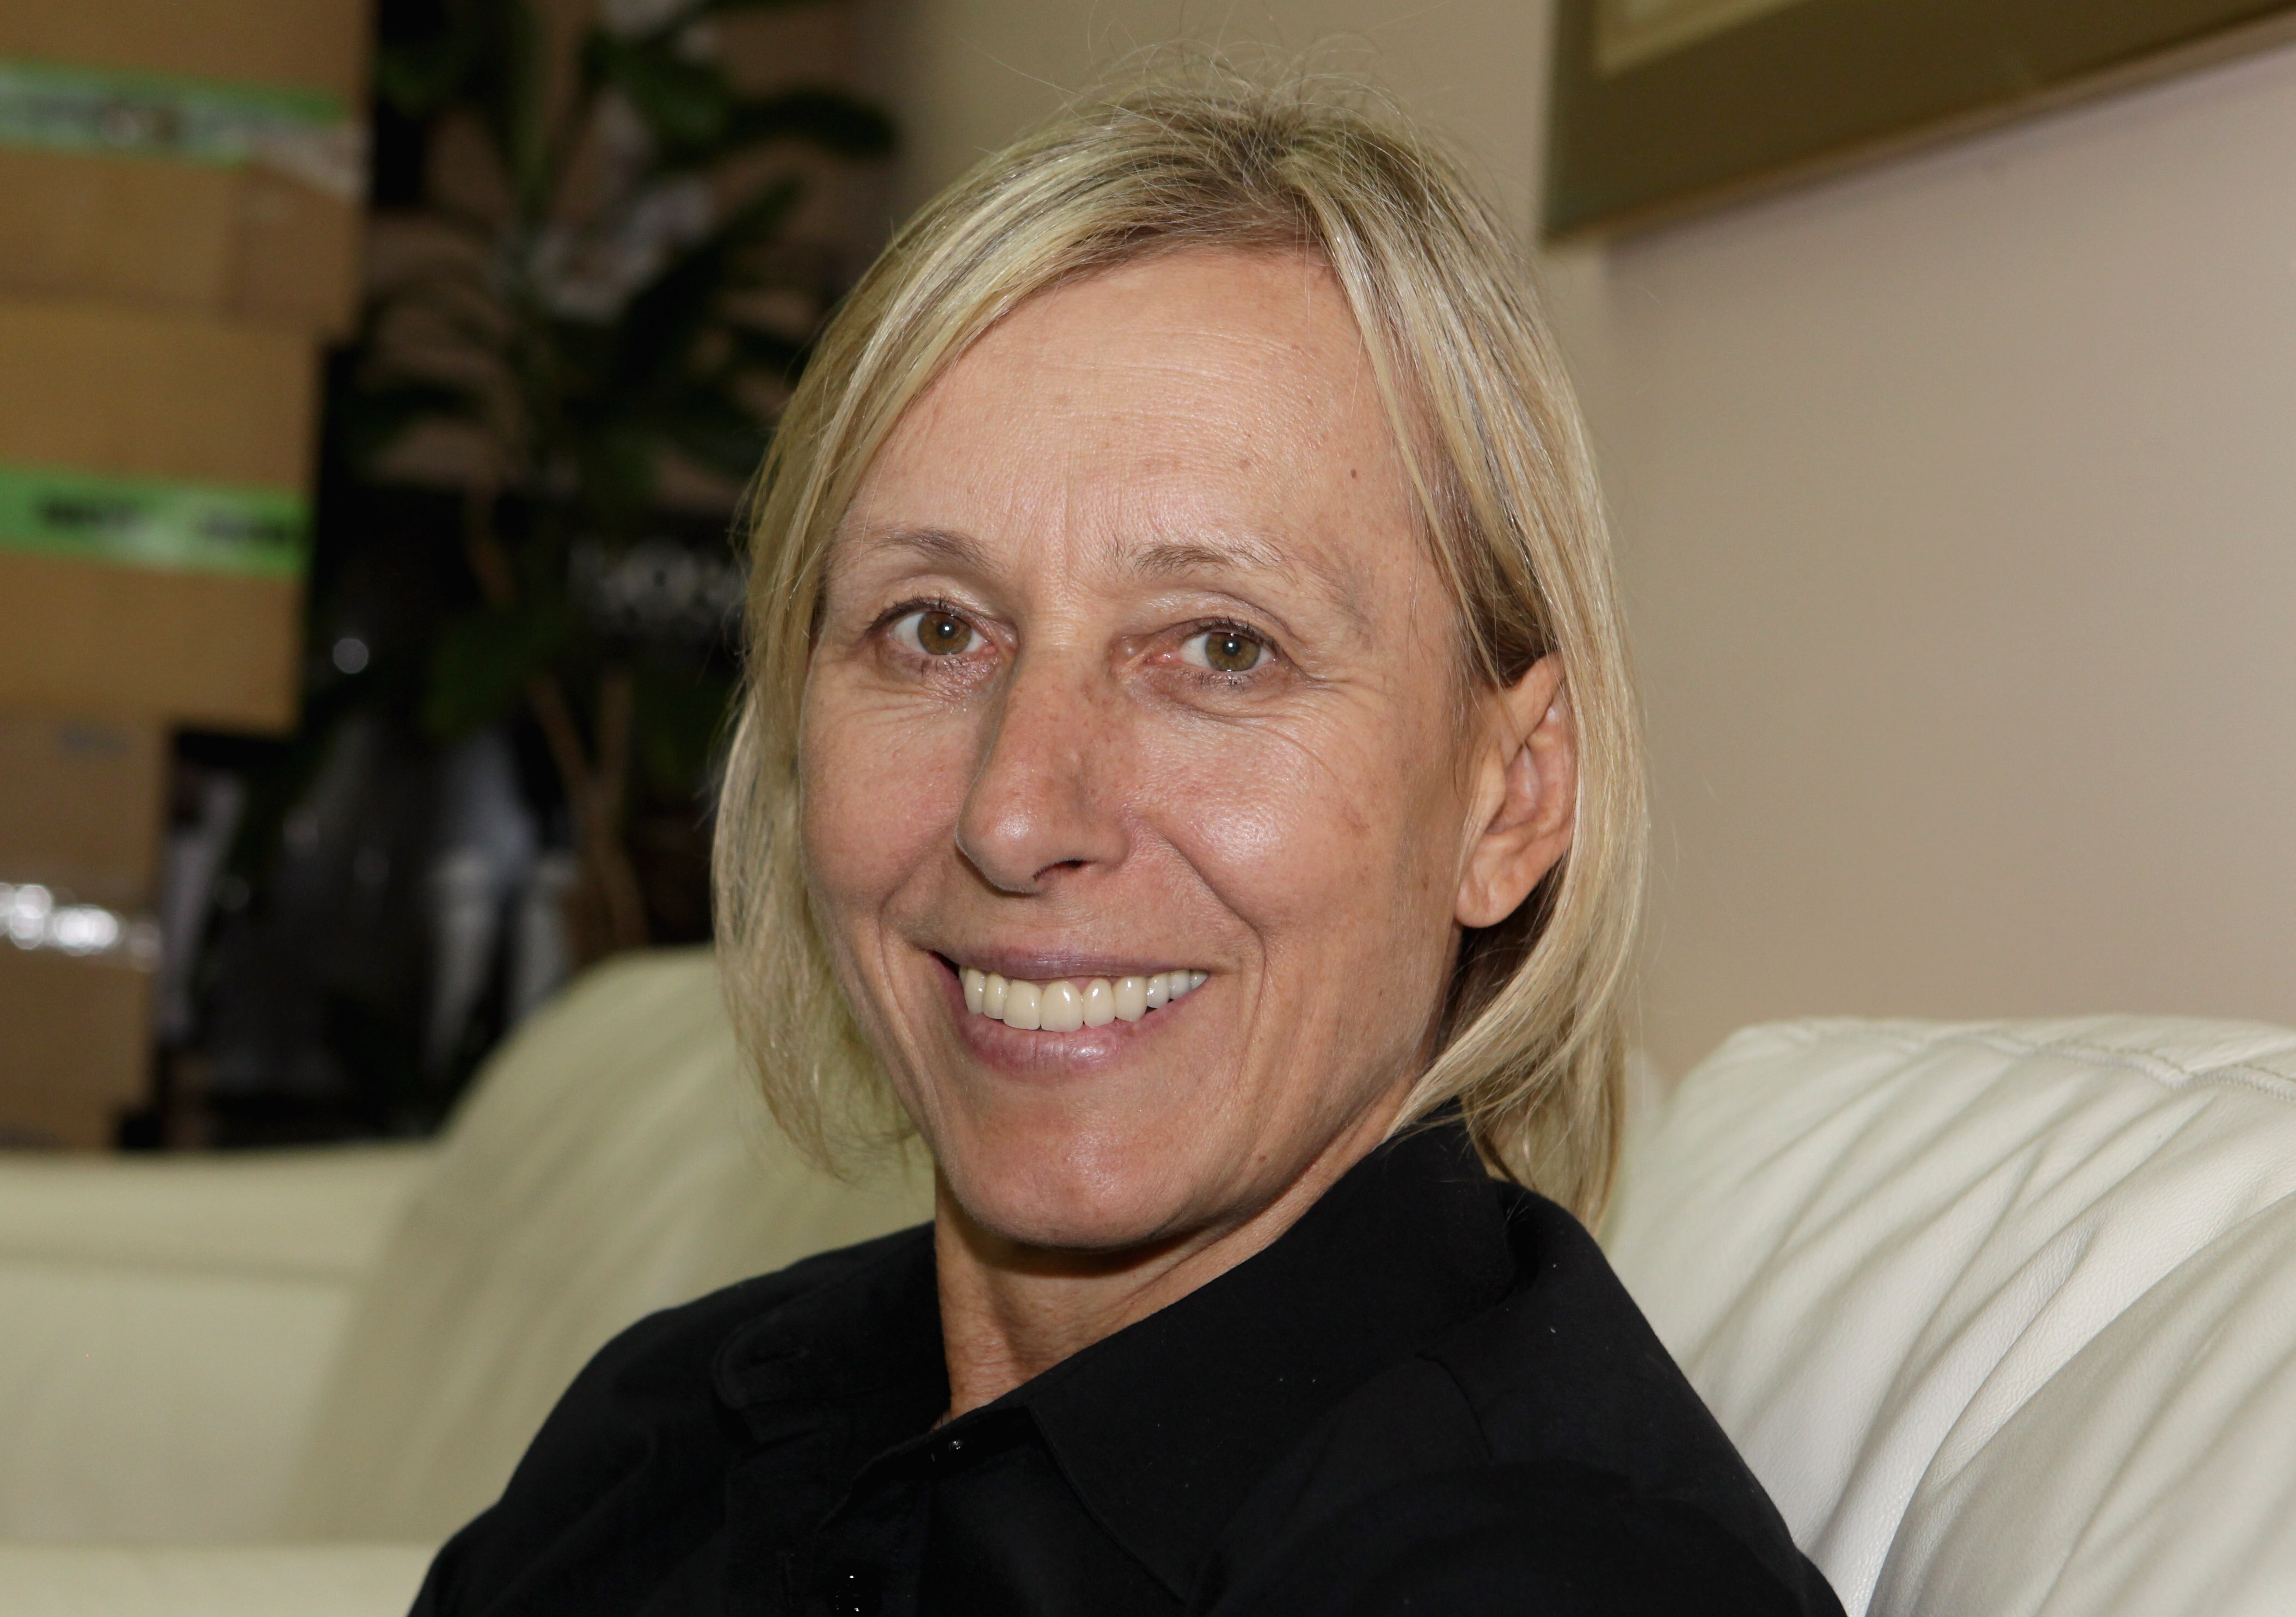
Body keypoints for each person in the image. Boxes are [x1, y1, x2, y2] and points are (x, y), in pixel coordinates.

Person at [412, 74, 1845, 1617]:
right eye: (934, 626)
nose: (1017, 812)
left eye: (1221, 648)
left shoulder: (1539, 1574)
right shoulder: (681, 1423)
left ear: (1507, 798)